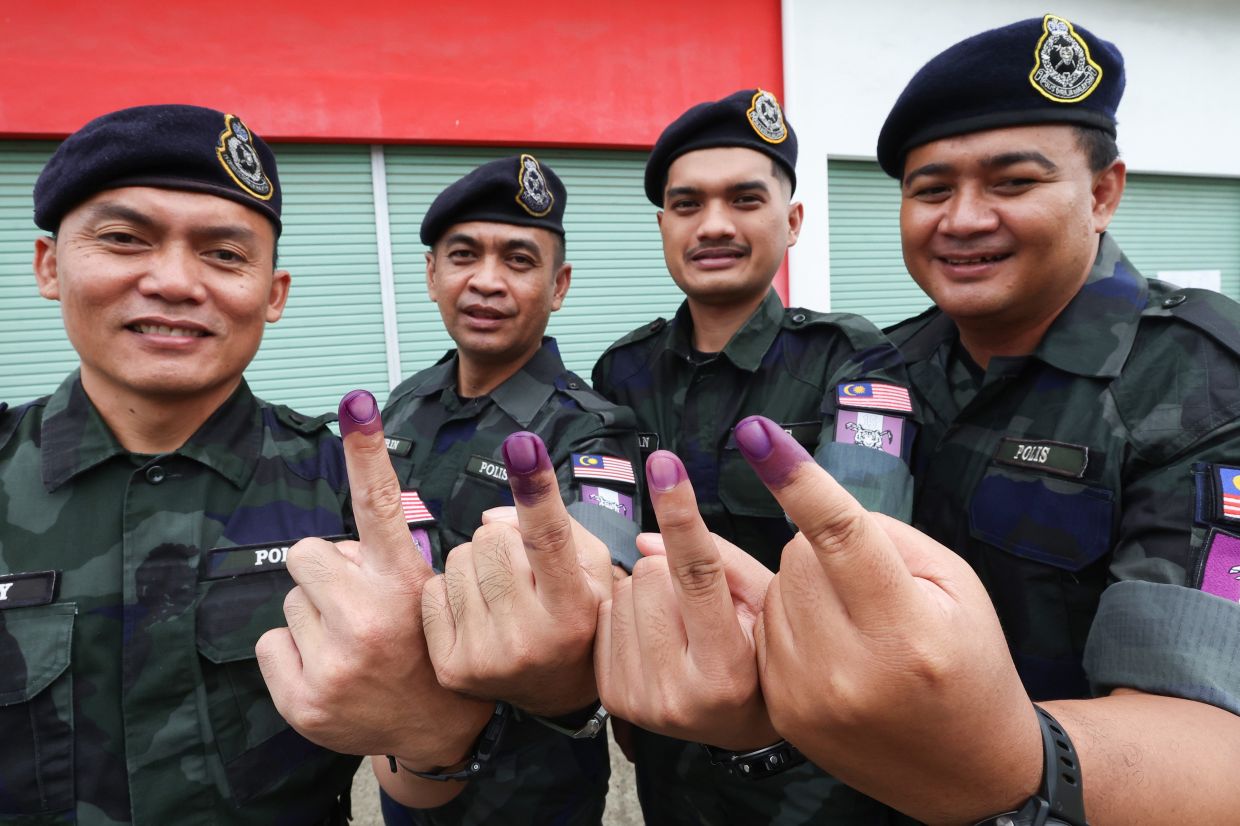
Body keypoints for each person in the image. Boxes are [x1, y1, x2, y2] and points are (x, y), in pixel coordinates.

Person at [600, 15, 1240, 825]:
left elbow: (1211, 742)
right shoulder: (886, 366)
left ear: (1103, 192)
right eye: (932, 190)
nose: (963, 219)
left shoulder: (1202, 378)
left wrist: (997, 758)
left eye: (1013, 183)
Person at [0, 105, 358, 824]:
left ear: (274, 294)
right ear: (48, 266)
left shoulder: (346, 486)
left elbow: (427, 766)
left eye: (224, 254)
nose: (173, 282)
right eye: (124, 239)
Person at [261, 155, 643, 825]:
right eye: (464, 255)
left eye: (518, 260)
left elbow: (594, 596)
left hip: (528, 787)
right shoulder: (405, 406)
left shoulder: (590, 431)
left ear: (558, 286)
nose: (486, 281)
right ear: (432, 275)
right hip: (402, 759)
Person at [592, 89, 917, 824]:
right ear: (663, 226)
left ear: (792, 221)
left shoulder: (849, 359)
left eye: (744, 200)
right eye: (687, 205)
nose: (713, 225)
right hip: (672, 735)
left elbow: (861, 555)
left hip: (815, 747)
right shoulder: (622, 371)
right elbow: (608, 551)